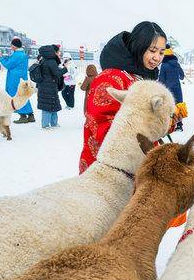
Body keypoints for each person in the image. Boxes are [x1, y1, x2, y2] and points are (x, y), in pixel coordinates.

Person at [79, 21, 167, 173]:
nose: (157, 58)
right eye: (152, 50)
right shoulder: (110, 78)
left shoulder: (140, 77)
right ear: (138, 47)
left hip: (134, 165)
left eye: (161, 52)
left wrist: (165, 121)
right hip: (107, 171)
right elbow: (105, 130)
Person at [0, 37, 35, 123]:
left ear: (15, 46)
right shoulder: (22, 54)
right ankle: (31, 115)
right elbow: (13, 62)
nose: (11, 47)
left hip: (15, 79)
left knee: (17, 96)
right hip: (22, 77)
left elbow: (8, 65)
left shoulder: (17, 55)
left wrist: (1, 58)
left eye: (12, 45)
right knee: (24, 95)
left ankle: (22, 116)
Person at [37, 44, 67, 129]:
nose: (59, 53)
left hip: (45, 85)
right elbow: (57, 73)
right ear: (54, 52)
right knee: (49, 105)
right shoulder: (51, 61)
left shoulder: (43, 59)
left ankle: (53, 123)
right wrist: (65, 68)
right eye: (58, 52)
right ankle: (46, 125)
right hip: (49, 85)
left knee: (50, 104)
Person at [157, 44, 185, 131]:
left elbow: (161, 79)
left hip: (168, 89)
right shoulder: (176, 64)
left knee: (168, 106)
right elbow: (182, 76)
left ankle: (169, 125)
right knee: (179, 106)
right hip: (177, 89)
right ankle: (179, 125)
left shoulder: (164, 65)